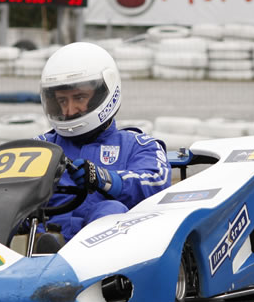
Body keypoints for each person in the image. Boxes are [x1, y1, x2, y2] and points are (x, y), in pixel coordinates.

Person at [33, 42, 171, 249]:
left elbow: (157, 183)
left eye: (79, 98)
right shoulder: (41, 147)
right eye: (62, 101)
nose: (70, 110)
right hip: (43, 235)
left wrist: (106, 179)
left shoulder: (137, 144)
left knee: (110, 209)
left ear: (102, 93)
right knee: (4, 215)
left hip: (102, 247)